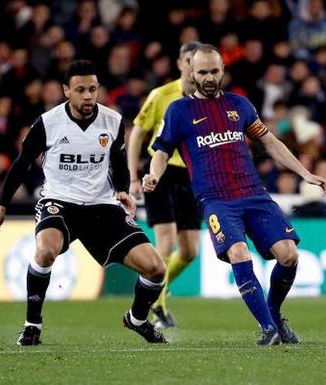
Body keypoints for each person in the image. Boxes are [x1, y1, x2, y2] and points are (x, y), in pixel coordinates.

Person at [142, 44, 326, 345]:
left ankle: (273, 315)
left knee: (289, 255)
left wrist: (305, 174)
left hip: (254, 193)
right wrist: (153, 175)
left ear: (222, 71)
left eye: (214, 71)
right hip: (216, 199)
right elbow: (162, 152)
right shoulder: (178, 110)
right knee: (239, 253)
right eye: (202, 71)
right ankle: (269, 329)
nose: (208, 77)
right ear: (191, 71)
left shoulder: (240, 105)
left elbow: (270, 144)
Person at [0, 60, 168, 346]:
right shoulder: (48, 123)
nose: (88, 96)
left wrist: (122, 190)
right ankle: (32, 325)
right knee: (46, 251)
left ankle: (137, 319)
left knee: (156, 268)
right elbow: (21, 165)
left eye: (93, 89)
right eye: (80, 90)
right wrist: (1, 206)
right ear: (66, 91)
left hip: (101, 206)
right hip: (59, 202)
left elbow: (117, 161)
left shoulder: (113, 121)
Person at [127, 41, 201, 329]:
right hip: (161, 172)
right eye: (189, 61)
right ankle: (156, 302)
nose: (193, 67)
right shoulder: (162, 94)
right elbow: (138, 133)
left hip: (192, 176)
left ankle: (158, 286)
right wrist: (134, 175)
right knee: (166, 243)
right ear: (181, 63)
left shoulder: (206, 99)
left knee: (189, 251)